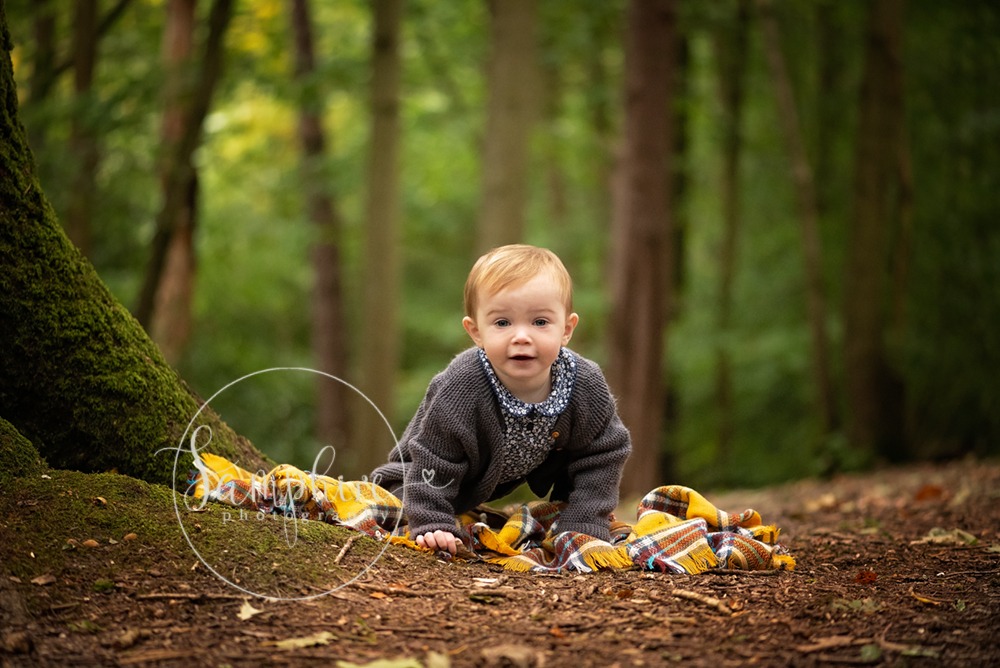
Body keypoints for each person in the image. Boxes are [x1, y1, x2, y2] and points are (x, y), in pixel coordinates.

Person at [371, 244, 631, 555]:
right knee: (397, 507)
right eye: (502, 323)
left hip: (480, 484)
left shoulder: (584, 384)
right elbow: (435, 456)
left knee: (587, 474)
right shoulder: (463, 384)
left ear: (567, 329)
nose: (521, 336)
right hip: (419, 478)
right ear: (476, 331)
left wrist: (586, 519)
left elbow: (603, 452)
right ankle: (424, 509)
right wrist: (431, 521)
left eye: (540, 322)